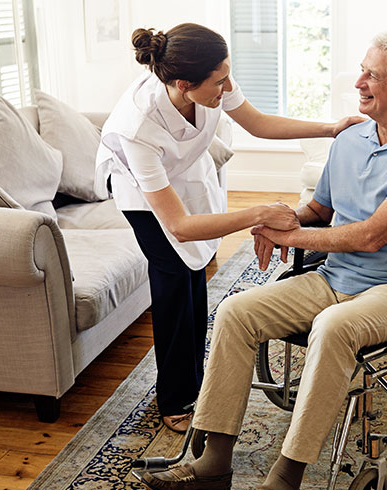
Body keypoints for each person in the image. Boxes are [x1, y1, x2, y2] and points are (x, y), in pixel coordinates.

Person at [141, 29, 387, 490]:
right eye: (362, 70)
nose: (359, 83)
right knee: (236, 310)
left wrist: (297, 235)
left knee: (334, 325)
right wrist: (274, 219)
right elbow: (319, 212)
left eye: (372, 75)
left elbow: (372, 236)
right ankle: (214, 463)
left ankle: (286, 476)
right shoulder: (351, 140)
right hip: (333, 278)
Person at [94, 23, 362, 434]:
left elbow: (257, 124)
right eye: (219, 82)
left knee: (195, 278)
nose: (227, 87)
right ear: (185, 84)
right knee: (172, 286)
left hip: (183, 173)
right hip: (142, 193)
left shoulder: (209, 78)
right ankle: (175, 397)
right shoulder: (137, 128)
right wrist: (258, 214)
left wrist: (329, 128)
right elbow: (180, 226)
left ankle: (196, 379)